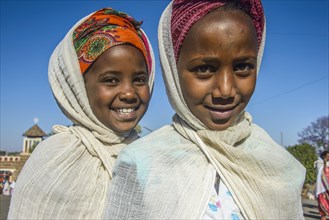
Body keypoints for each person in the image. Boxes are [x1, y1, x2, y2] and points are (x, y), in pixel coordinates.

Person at [105, 0, 306, 219]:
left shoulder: (280, 168)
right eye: (204, 69)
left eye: (242, 67)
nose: (226, 90)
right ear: (172, 69)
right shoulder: (140, 162)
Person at [8, 7, 155, 219]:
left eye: (139, 79)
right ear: (79, 87)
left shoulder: (153, 158)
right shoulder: (54, 159)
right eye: (111, 80)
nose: (129, 93)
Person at [315, 150, 329, 220]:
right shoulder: (319, 163)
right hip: (322, 187)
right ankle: (323, 216)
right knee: (322, 202)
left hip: (328, 186)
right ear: (324, 156)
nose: (328, 158)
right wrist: (325, 162)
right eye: (327, 156)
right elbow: (321, 172)